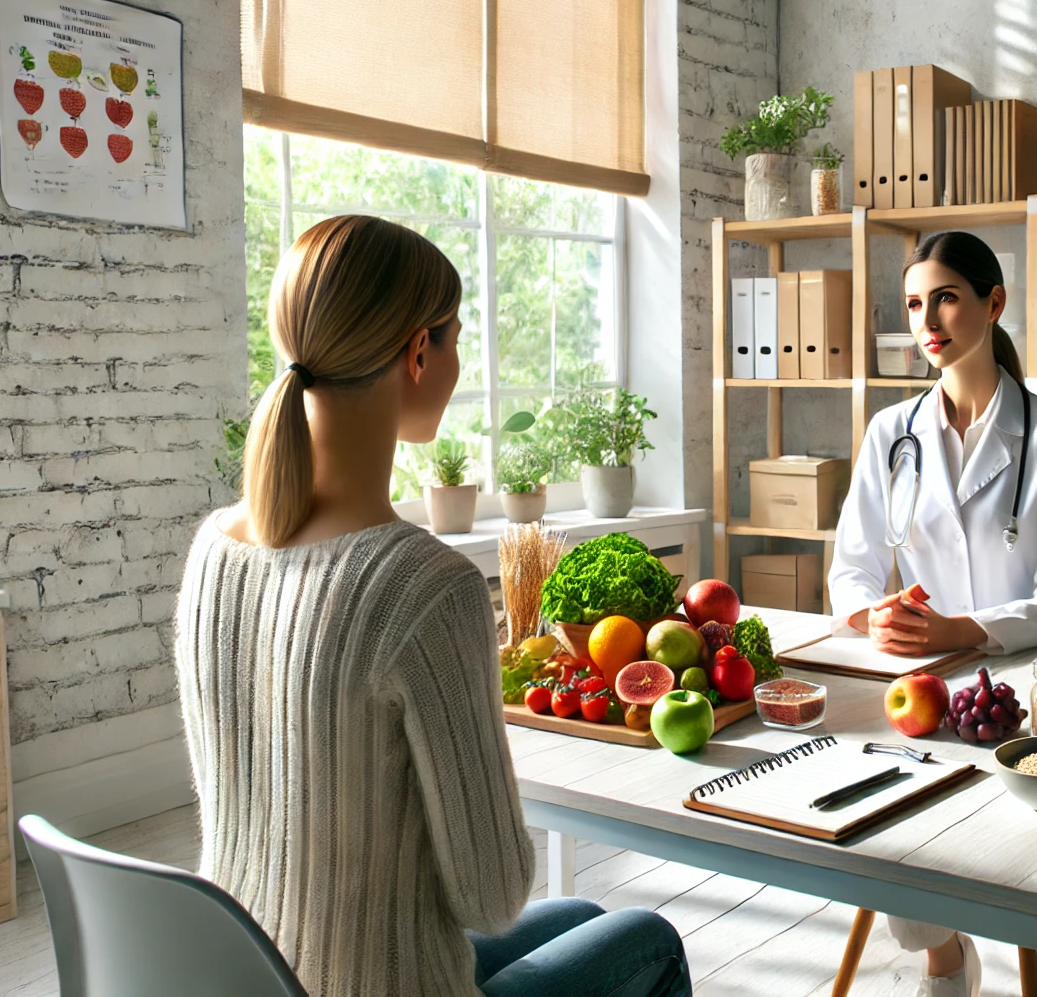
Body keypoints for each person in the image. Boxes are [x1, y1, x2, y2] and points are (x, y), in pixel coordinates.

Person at [174, 215, 690, 997]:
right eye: (455, 338)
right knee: (649, 940)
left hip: (248, 975)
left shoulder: (213, 549)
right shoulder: (424, 584)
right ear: (420, 352)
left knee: (581, 912)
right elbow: (490, 896)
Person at [827, 230, 1037, 996]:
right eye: (915, 304)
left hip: (1021, 692)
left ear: (993, 302)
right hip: (916, 681)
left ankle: (947, 959)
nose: (928, 321)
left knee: (958, 843)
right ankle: (947, 957)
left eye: (945, 297)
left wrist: (965, 630)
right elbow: (850, 571)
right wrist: (869, 615)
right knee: (873, 831)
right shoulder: (892, 433)